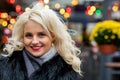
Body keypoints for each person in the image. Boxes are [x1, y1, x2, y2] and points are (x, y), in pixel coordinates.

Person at [0, 3, 82, 80]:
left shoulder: (67, 69)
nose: (34, 41)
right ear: (22, 37)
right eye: (29, 35)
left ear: (53, 36)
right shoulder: (4, 66)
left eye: (41, 34)